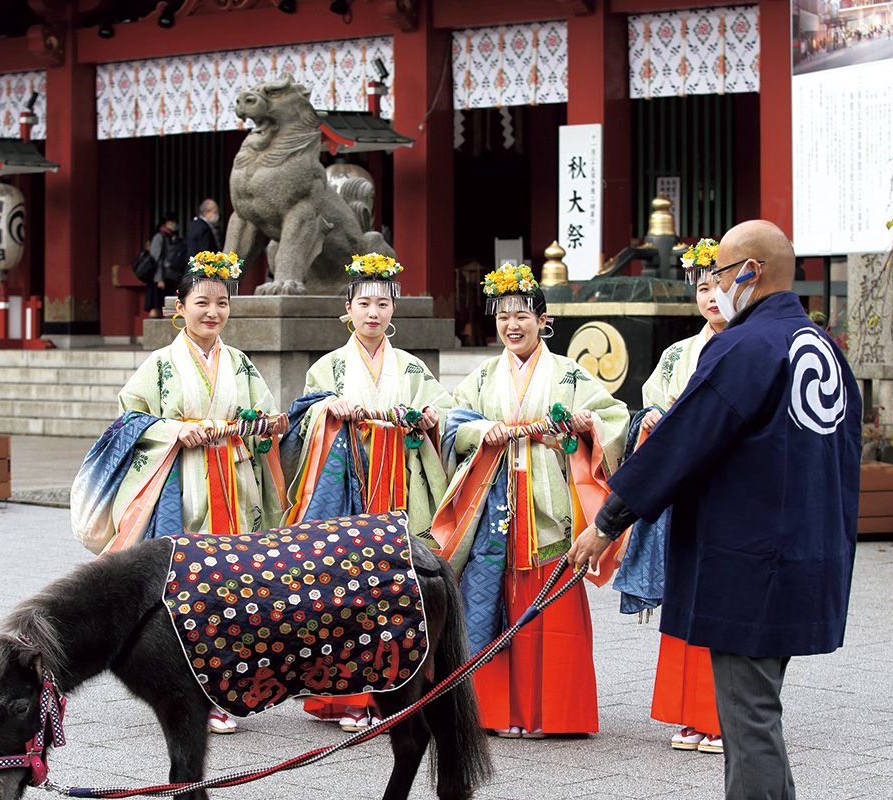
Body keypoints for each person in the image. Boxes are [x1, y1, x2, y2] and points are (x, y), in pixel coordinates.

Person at [570, 220, 861, 800]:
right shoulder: (824, 349)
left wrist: (607, 521)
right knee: (760, 717)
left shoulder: (746, 346)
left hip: (751, 561)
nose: (715, 285)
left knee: (748, 724)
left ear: (750, 272)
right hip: (810, 554)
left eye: (722, 273)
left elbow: (685, 439)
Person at [71, 251, 287, 736]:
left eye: (222, 303)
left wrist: (267, 425)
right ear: (180, 306)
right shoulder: (160, 363)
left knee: (236, 586)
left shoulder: (240, 363)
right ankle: (190, 690)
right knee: (187, 590)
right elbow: (130, 416)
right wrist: (173, 430)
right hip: (182, 487)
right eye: (202, 302)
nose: (213, 312)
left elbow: (261, 418)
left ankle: (229, 688)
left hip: (233, 485)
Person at [430, 263, 629, 739]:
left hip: (549, 508)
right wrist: (481, 430)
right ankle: (495, 711)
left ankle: (554, 711)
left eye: (522, 315)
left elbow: (614, 415)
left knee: (550, 606)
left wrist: (583, 424)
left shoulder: (569, 373)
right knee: (487, 600)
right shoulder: (482, 376)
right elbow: (447, 420)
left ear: (544, 320)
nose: (512, 325)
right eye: (503, 317)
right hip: (494, 502)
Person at [281, 253, 452, 731]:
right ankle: (345, 698)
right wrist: (330, 411)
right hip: (349, 485)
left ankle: (395, 692)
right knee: (346, 588)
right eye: (364, 303)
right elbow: (302, 418)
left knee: (397, 588)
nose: (373, 313)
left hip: (399, 482)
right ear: (348, 309)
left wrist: (430, 418)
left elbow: (443, 408)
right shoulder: (328, 368)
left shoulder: (412, 367)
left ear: (393, 310)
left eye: (382, 303)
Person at [616, 238, 727, 755]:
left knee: (721, 599)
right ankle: (688, 712)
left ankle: (721, 716)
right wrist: (653, 420)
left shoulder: (747, 346)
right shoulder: (677, 355)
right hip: (682, 493)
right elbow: (646, 411)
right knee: (684, 596)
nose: (711, 297)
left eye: (719, 286)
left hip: (726, 489)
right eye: (702, 288)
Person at [146, 215, 186, 318]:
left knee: (166, 307)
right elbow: (156, 259)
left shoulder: (173, 237)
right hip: (158, 278)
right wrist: (159, 279)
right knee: (156, 307)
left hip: (169, 277)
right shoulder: (159, 237)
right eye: (170, 221)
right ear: (164, 223)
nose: (173, 224)